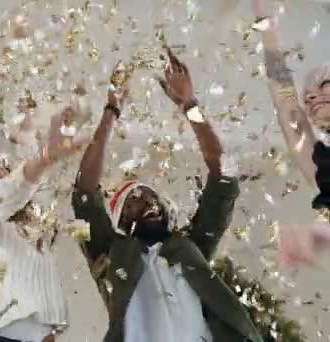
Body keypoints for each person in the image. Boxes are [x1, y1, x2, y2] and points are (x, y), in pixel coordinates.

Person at [71, 51, 263, 342]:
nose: (148, 203)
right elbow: (85, 192)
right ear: (121, 222)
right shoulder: (111, 252)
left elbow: (223, 177)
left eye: (152, 198)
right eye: (133, 202)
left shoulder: (190, 246)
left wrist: (190, 105)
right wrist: (111, 110)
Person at [0, 110, 86, 342]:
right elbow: (10, 193)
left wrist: (32, 147)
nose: (12, 181)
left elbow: (35, 192)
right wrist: (42, 159)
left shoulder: (37, 233)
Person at [252, 0, 330, 267]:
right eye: (307, 96)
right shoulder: (322, 164)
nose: (310, 96)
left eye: (325, 84)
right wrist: (267, 24)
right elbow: (286, 100)